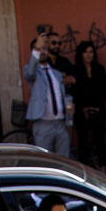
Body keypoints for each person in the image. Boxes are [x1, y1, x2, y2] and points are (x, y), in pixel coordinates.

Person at [23, 29, 73, 157]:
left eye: (45, 49)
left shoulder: (56, 73)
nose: (43, 52)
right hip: (43, 124)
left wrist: (68, 106)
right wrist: (37, 48)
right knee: (44, 160)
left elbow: (61, 95)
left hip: (60, 123)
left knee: (64, 160)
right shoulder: (32, 72)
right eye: (40, 50)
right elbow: (30, 73)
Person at [70, 40, 106, 170]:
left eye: (91, 52)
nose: (88, 55)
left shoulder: (99, 69)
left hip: (98, 109)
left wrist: (97, 107)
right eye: (85, 52)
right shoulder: (75, 70)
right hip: (81, 111)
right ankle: (85, 171)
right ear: (81, 54)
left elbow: (103, 90)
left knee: (100, 140)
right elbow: (75, 92)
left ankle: (103, 170)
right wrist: (83, 108)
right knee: (83, 141)